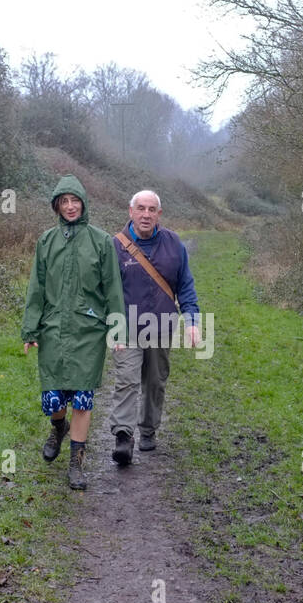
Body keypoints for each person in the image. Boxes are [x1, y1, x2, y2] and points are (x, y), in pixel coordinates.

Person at [21, 175, 125, 490]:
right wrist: (30, 327)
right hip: (53, 328)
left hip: (88, 330)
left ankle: (76, 465)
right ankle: (58, 427)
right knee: (54, 398)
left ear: (83, 202)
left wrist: (116, 331)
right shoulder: (46, 242)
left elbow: (113, 288)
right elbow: (36, 288)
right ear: (57, 205)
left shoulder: (101, 241)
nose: (70, 206)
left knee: (82, 397)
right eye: (63, 201)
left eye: (74, 200)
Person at [108, 189, 201, 466]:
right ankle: (123, 436)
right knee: (126, 379)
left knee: (155, 380)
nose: (146, 214)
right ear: (131, 211)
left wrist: (192, 322)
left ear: (159, 214)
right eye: (141, 208)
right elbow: (104, 289)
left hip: (161, 325)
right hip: (125, 327)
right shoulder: (115, 245)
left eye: (152, 209)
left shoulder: (174, 244)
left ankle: (148, 429)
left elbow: (185, 285)